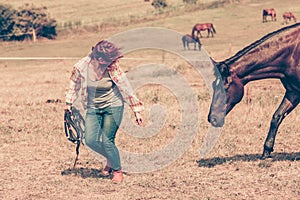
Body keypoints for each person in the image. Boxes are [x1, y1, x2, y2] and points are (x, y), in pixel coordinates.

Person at [65, 40, 144, 183]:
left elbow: (126, 88)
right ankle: (111, 158)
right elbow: (73, 84)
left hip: (113, 106)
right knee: (90, 140)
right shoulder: (81, 67)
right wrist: (68, 103)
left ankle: (117, 170)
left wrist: (136, 110)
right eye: (107, 61)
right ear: (99, 58)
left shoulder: (112, 68)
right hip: (93, 107)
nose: (110, 63)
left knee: (108, 141)